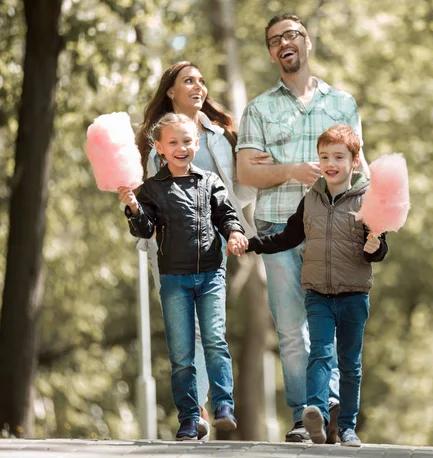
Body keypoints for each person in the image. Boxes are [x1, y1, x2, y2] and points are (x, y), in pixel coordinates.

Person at [235, 13, 369, 443]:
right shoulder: (259, 107)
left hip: (336, 230)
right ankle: (302, 414)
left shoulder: (342, 104)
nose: (283, 43)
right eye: (274, 40)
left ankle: (328, 408)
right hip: (278, 225)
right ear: (272, 52)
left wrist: (373, 220)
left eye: (291, 35)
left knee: (331, 327)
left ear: (307, 43)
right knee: (293, 329)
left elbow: (358, 166)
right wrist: (291, 170)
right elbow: (246, 174)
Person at [134, 61, 269, 439]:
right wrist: (135, 212)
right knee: (184, 339)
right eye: (188, 80)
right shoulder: (156, 144)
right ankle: (196, 412)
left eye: (201, 80)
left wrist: (236, 228)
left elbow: (235, 194)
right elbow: (148, 204)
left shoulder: (218, 134)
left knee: (211, 335)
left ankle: (211, 405)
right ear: (171, 92)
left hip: (212, 252)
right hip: (170, 255)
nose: (198, 86)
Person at [244, 125, 387, 447]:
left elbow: (379, 248)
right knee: (320, 354)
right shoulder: (311, 199)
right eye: (324, 157)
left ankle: (348, 427)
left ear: (354, 161)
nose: (330, 163)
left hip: (353, 295)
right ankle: (317, 416)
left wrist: (375, 246)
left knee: (350, 363)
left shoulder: (368, 201)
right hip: (318, 294)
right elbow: (288, 237)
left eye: (338, 156)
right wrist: (252, 244)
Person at [120, 113, 248, 440]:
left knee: (216, 340)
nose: (181, 147)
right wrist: (134, 208)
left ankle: (223, 406)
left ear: (197, 143)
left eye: (187, 141)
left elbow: (227, 215)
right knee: (180, 354)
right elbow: (146, 229)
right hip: (174, 280)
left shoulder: (210, 181)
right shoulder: (151, 189)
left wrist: (233, 234)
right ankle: (189, 417)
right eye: (173, 142)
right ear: (159, 148)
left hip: (210, 275)